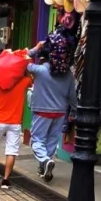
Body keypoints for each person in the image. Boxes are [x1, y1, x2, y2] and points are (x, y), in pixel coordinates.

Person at [27, 41, 77, 182]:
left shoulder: (39, 70)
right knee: (51, 141)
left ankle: (45, 160)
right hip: (60, 112)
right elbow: (72, 96)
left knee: (37, 140)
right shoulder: (67, 74)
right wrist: (73, 112)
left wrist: (36, 48)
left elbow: (21, 60)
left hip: (42, 111)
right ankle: (44, 167)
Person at [0, 73, 33, 189]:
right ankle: (6, 180)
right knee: (11, 151)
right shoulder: (24, 81)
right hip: (15, 122)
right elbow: (32, 79)